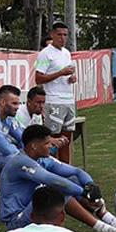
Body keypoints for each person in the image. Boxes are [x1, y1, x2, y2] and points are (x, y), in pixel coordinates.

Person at [0, 124, 116, 232]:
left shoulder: (42, 158)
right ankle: (105, 230)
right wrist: (83, 192)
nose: (51, 146)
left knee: (72, 181)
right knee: (57, 190)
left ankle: (114, 223)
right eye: (47, 143)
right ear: (34, 147)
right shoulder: (20, 162)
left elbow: (76, 172)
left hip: (33, 212)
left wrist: (89, 185)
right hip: (16, 221)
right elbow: (51, 180)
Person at [34, 22, 78, 164]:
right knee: (52, 138)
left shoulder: (66, 53)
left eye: (65, 35)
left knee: (66, 138)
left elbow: (66, 74)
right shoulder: (46, 54)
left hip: (68, 100)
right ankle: (50, 167)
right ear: (52, 35)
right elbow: (38, 78)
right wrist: (60, 73)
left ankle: (66, 168)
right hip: (54, 100)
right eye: (59, 34)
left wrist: (71, 78)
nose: (62, 38)